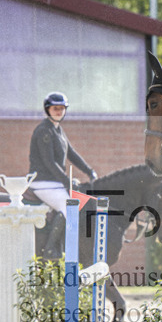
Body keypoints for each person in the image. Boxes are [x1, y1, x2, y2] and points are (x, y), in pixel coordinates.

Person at [28, 91, 99, 255]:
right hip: (42, 182)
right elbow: (49, 163)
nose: (59, 112)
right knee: (68, 207)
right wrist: (67, 182)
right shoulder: (44, 131)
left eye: (61, 108)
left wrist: (90, 171)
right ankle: (50, 248)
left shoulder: (58, 130)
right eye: (55, 109)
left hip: (54, 182)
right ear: (48, 110)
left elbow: (72, 154)